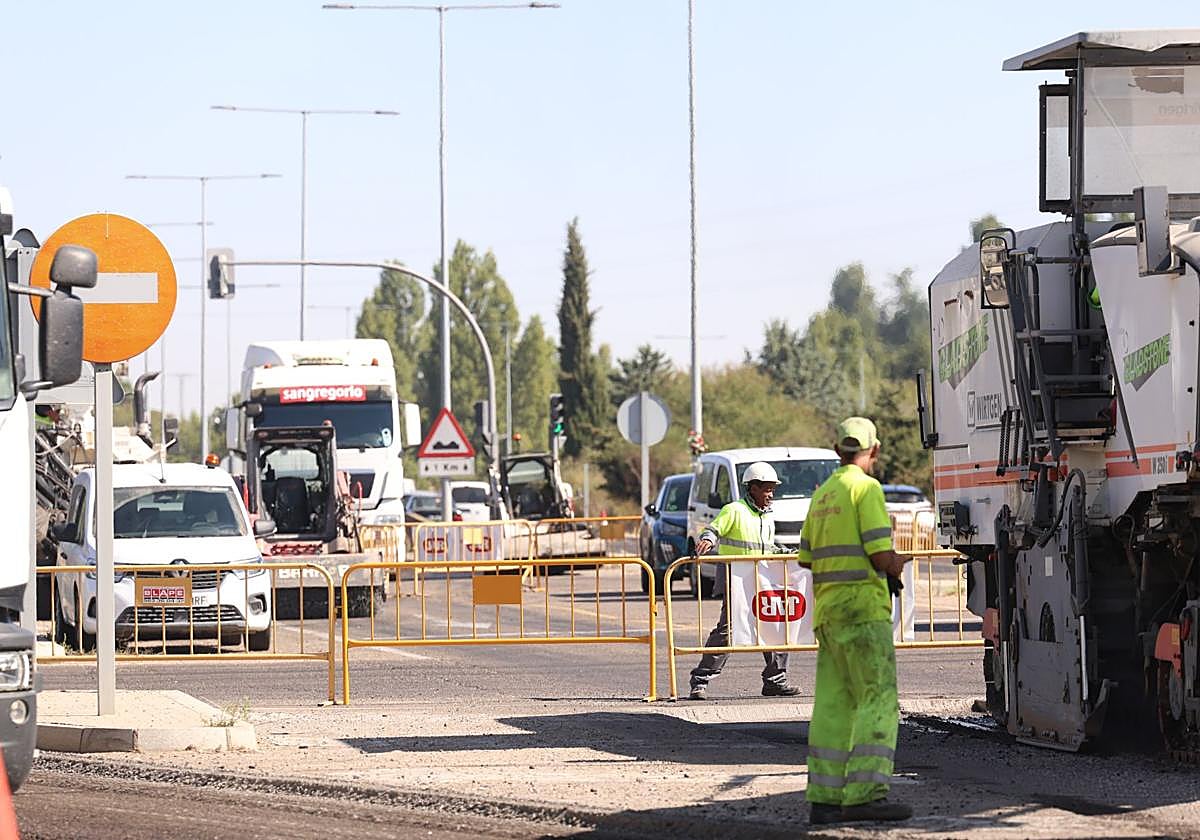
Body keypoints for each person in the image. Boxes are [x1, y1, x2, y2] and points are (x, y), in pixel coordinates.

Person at [800, 417, 913, 825]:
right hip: (864, 612)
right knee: (877, 699)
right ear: (875, 451)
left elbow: (808, 558)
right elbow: (879, 554)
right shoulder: (866, 489)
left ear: (836, 451)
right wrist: (897, 565)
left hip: (828, 615)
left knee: (832, 705)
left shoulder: (822, 494)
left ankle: (825, 801)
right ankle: (866, 794)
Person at [688, 461, 800, 700]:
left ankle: (775, 680)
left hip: (763, 580)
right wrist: (707, 539)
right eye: (767, 489)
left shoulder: (767, 517)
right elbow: (714, 529)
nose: (771, 495)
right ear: (753, 488)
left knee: (775, 628)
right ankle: (700, 680)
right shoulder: (734, 510)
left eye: (772, 490)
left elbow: (767, 547)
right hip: (737, 581)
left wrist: (787, 553)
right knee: (728, 631)